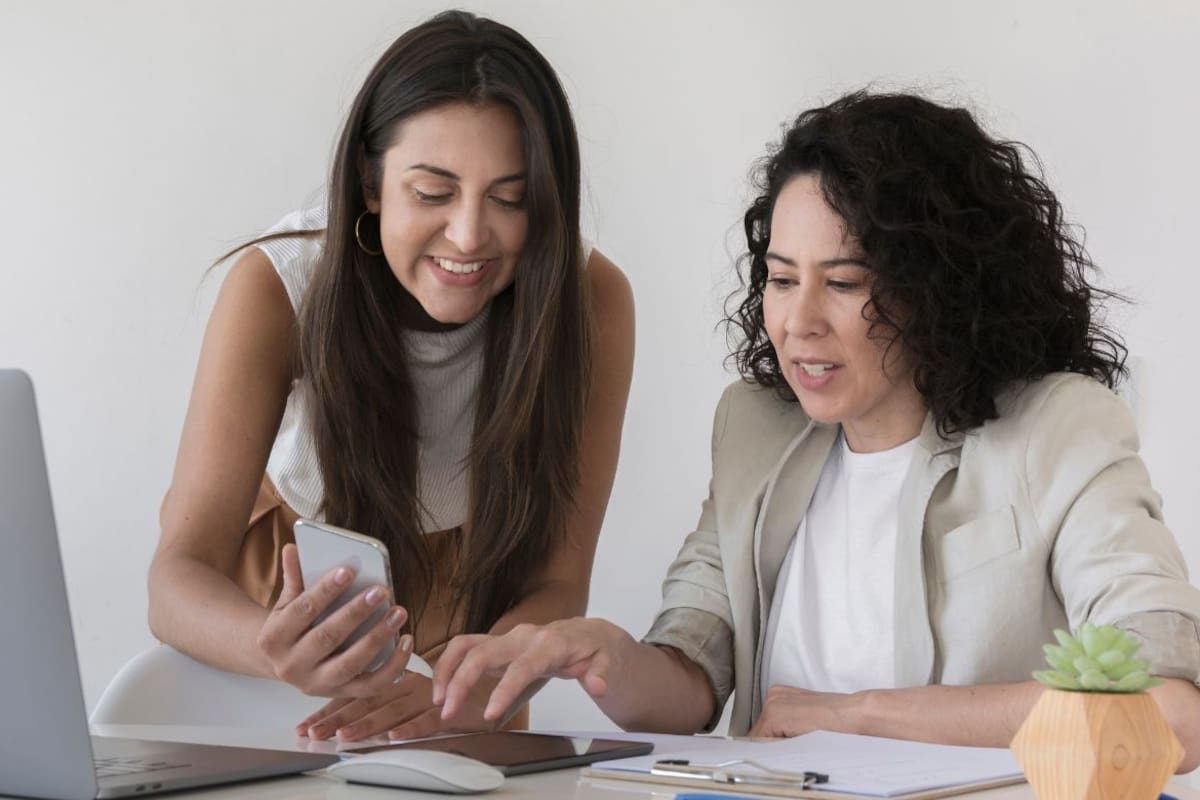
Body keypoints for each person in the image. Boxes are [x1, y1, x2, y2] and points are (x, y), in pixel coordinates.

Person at [431, 90, 1200, 770]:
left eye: (842, 282)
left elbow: (1171, 714)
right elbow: (690, 683)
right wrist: (604, 655)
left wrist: (855, 717)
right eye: (781, 278)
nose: (798, 322)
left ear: (939, 287)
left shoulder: (1058, 431)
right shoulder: (755, 429)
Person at [146, 11, 634, 743]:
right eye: (433, 193)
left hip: (481, 639)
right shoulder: (280, 285)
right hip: (286, 602)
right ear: (370, 183)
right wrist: (273, 649)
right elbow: (175, 580)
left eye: (510, 198)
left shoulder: (592, 301)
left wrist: (478, 686)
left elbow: (559, 583)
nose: (468, 235)